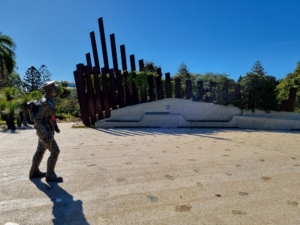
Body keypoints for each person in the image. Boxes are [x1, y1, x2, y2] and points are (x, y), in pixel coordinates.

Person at [29, 81, 63, 182]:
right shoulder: (45, 102)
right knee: (55, 151)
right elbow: (37, 119)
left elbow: (50, 117)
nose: (56, 89)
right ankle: (50, 175)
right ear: (49, 90)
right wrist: (45, 133)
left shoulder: (49, 101)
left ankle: (34, 172)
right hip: (45, 132)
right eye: (54, 88)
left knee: (40, 151)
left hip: (46, 131)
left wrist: (55, 127)